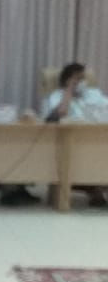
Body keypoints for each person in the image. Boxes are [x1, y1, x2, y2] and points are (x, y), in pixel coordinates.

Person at [42, 63, 108, 207]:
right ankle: (95, 190)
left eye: (83, 78)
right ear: (68, 80)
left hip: (97, 139)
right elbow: (61, 113)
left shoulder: (93, 93)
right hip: (72, 144)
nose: (82, 82)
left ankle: (96, 188)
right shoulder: (57, 96)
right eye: (78, 78)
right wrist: (69, 90)